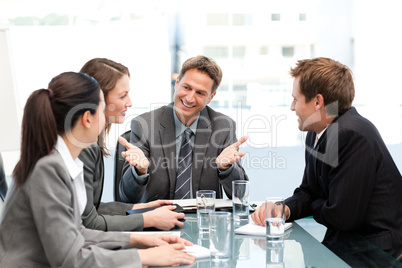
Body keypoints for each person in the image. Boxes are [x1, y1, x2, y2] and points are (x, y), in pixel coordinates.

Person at [0, 72, 195, 267]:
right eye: (102, 111)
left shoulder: (62, 161)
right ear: (87, 118)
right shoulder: (48, 168)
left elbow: (77, 233)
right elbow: (70, 258)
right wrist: (143, 257)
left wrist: (139, 241)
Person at [251, 57, 402, 258]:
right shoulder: (318, 131)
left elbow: (341, 216)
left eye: (296, 99)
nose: (292, 107)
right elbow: (308, 191)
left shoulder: (351, 134)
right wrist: (284, 209)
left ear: (317, 102)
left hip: (376, 253)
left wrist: (317, 201)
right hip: (345, 244)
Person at [120, 55, 249, 203]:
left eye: (200, 93)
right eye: (186, 88)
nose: (189, 98)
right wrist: (139, 171)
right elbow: (126, 197)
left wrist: (226, 168)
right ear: (177, 83)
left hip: (204, 220)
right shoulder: (144, 125)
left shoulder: (223, 127)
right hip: (158, 221)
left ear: (211, 97)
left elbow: (240, 196)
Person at [79, 58, 185, 231]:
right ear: (99, 98)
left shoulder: (92, 139)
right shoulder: (82, 146)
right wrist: (147, 219)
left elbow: (90, 208)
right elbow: (87, 222)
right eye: (122, 96)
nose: (130, 103)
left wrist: (136, 209)